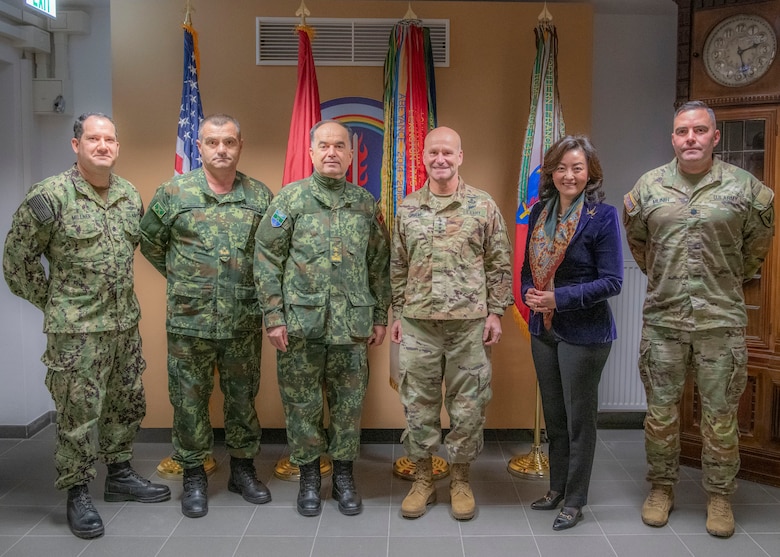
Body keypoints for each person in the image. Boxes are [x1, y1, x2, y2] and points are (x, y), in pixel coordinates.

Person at [2, 113, 171, 539]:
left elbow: (141, 248)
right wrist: (56, 304)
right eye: (93, 138)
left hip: (123, 327)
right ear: (75, 145)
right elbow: (16, 262)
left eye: (109, 139)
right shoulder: (50, 196)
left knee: (125, 402)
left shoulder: (130, 195)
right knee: (78, 415)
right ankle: (77, 491)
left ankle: (119, 474)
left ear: (117, 147)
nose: (102, 146)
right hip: (75, 334)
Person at [624, 100, 774, 538]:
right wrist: (670, 279)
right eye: (682, 131)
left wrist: (720, 281)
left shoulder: (746, 189)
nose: (690, 138)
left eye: (699, 130)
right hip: (664, 323)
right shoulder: (648, 188)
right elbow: (640, 246)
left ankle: (720, 496)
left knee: (721, 417)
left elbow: (756, 251)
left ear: (714, 137)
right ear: (673, 138)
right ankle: (661, 489)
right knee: (661, 415)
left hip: (720, 324)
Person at [254, 119, 391, 517]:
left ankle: (345, 477)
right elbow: (266, 258)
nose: (331, 152)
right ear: (311, 152)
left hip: (351, 327)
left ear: (352, 154)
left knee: (349, 406)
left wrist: (380, 314)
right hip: (300, 326)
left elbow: (379, 264)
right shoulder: (289, 202)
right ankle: (311, 477)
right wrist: (274, 316)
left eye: (340, 146)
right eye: (324, 146)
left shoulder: (365, 204)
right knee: (302, 405)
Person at [140, 113, 274, 519]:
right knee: (189, 401)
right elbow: (150, 241)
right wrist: (186, 278)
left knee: (241, 399)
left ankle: (243, 470)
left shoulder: (259, 196)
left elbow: (270, 253)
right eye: (212, 142)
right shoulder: (173, 193)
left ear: (240, 145)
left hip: (241, 320)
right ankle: (194, 474)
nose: (221, 149)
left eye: (229, 142)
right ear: (198, 147)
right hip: (189, 320)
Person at [390, 126, 513, 521]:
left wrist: (496, 311)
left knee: (468, 407)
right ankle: (423, 479)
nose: (440, 159)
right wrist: (396, 311)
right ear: (423, 157)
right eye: (433, 153)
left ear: (461, 157)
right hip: (418, 324)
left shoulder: (483, 206)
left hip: (468, 327)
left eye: (448, 152)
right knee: (418, 406)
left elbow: (499, 262)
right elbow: (397, 264)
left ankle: (460, 478)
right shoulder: (408, 207)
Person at [521, 135, 623, 530]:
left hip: (585, 332)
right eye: (561, 167)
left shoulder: (604, 216)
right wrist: (530, 291)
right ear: (551, 172)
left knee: (580, 420)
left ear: (590, 173)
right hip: (543, 330)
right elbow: (531, 266)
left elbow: (612, 282)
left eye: (577, 168)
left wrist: (558, 299)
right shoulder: (539, 213)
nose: (568, 175)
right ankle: (556, 488)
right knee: (555, 417)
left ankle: (576, 499)